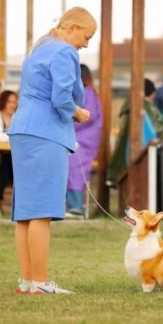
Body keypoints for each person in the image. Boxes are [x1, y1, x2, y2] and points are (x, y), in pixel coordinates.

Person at [7, 7, 96, 294]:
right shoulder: (65, 52)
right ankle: (42, 282)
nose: (86, 44)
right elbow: (61, 98)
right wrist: (78, 112)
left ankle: (28, 281)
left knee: (25, 212)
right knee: (42, 211)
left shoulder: (39, 49)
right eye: (86, 36)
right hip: (46, 131)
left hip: (22, 129)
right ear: (72, 28)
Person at [106, 78, 163, 185]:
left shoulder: (133, 105)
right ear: (150, 93)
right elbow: (155, 129)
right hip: (144, 151)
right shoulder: (144, 107)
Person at [66, 64, 102, 217]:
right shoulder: (81, 93)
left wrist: (68, 124)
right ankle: (67, 204)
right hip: (77, 136)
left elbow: (88, 117)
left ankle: (76, 206)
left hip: (85, 139)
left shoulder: (89, 93)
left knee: (74, 162)